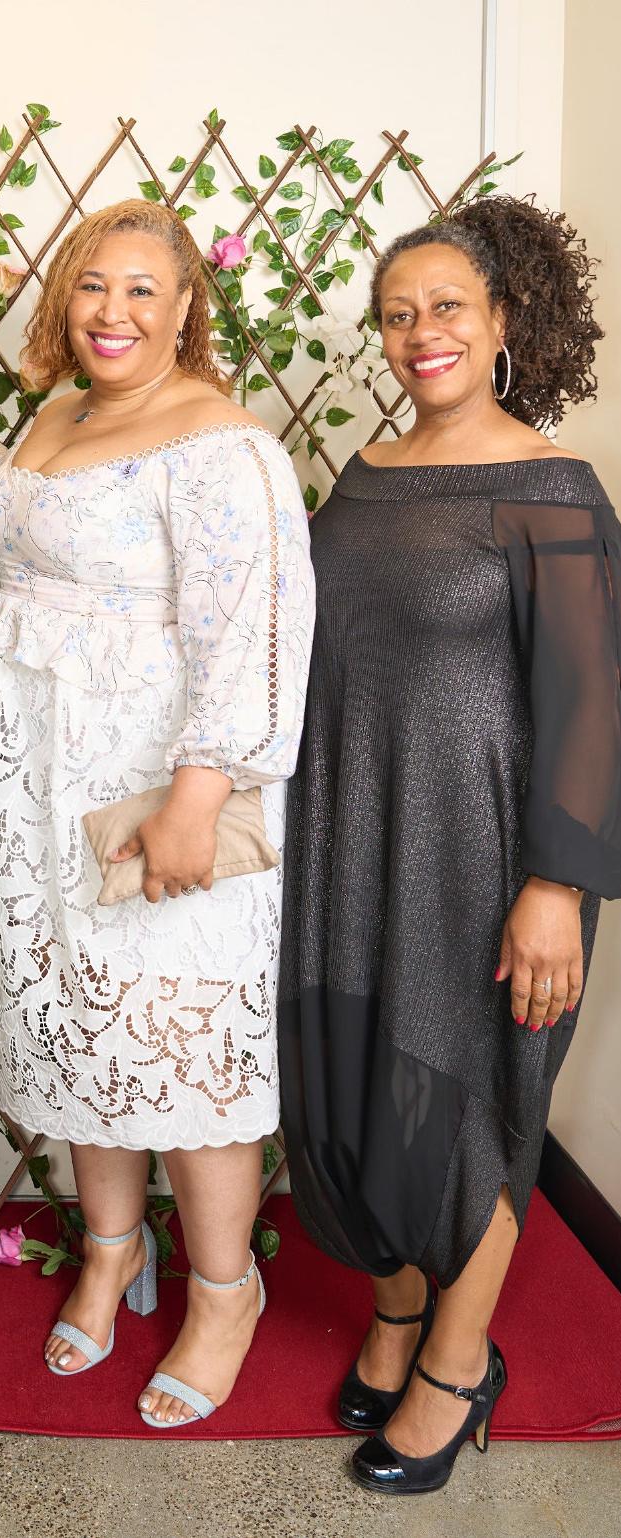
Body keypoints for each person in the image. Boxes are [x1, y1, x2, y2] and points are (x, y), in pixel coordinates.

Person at [278, 194, 620, 1494]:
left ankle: (459, 1361)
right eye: (397, 313)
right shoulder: (365, 476)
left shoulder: (551, 488)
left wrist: (552, 886)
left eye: (447, 310)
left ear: (504, 324)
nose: (419, 334)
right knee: (364, 1086)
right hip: (353, 830)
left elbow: (594, 709)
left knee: (467, 1103)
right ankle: (399, 1306)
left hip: (485, 857)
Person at [0, 200, 314, 1427]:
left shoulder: (219, 443)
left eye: (142, 292)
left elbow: (254, 631)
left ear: (183, 313)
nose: (113, 312)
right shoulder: (53, 416)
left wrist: (197, 797)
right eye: (92, 288)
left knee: (176, 1038)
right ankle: (112, 1246)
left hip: (147, 786)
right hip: (29, 786)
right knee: (74, 1020)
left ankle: (226, 1288)